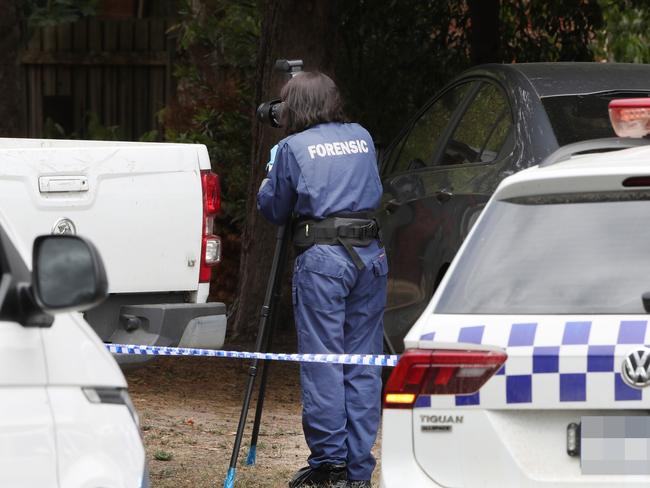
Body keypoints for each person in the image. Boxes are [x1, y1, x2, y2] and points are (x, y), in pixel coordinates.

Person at [257, 71, 387, 488]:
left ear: (294, 107)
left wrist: (272, 169)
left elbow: (274, 208)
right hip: (371, 257)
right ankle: (359, 471)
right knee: (363, 364)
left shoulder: (292, 147)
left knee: (323, 362)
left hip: (324, 261)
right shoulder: (362, 136)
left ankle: (329, 466)